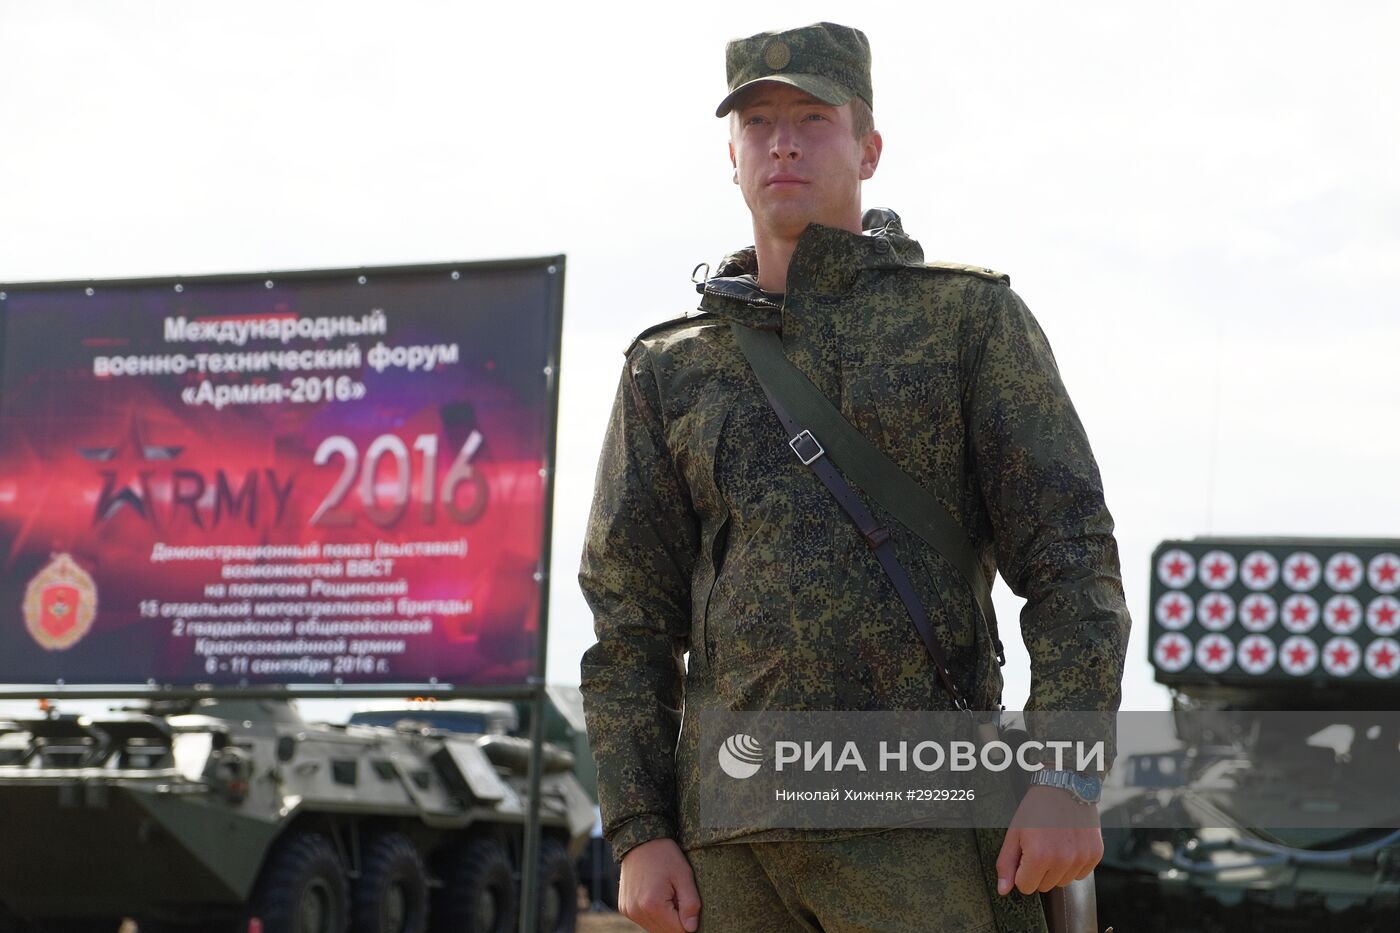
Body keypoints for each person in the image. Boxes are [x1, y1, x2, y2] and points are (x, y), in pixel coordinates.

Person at [579, 21, 1131, 933]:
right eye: (758, 122)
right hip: (734, 839)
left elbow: (1071, 559)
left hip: (923, 827)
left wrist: (1066, 774)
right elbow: (629, 618)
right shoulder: (671, 367)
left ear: (869, 146)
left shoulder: (967, 321)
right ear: (732, 156)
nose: (783, 140)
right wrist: (639, 829)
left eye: (812, 116)